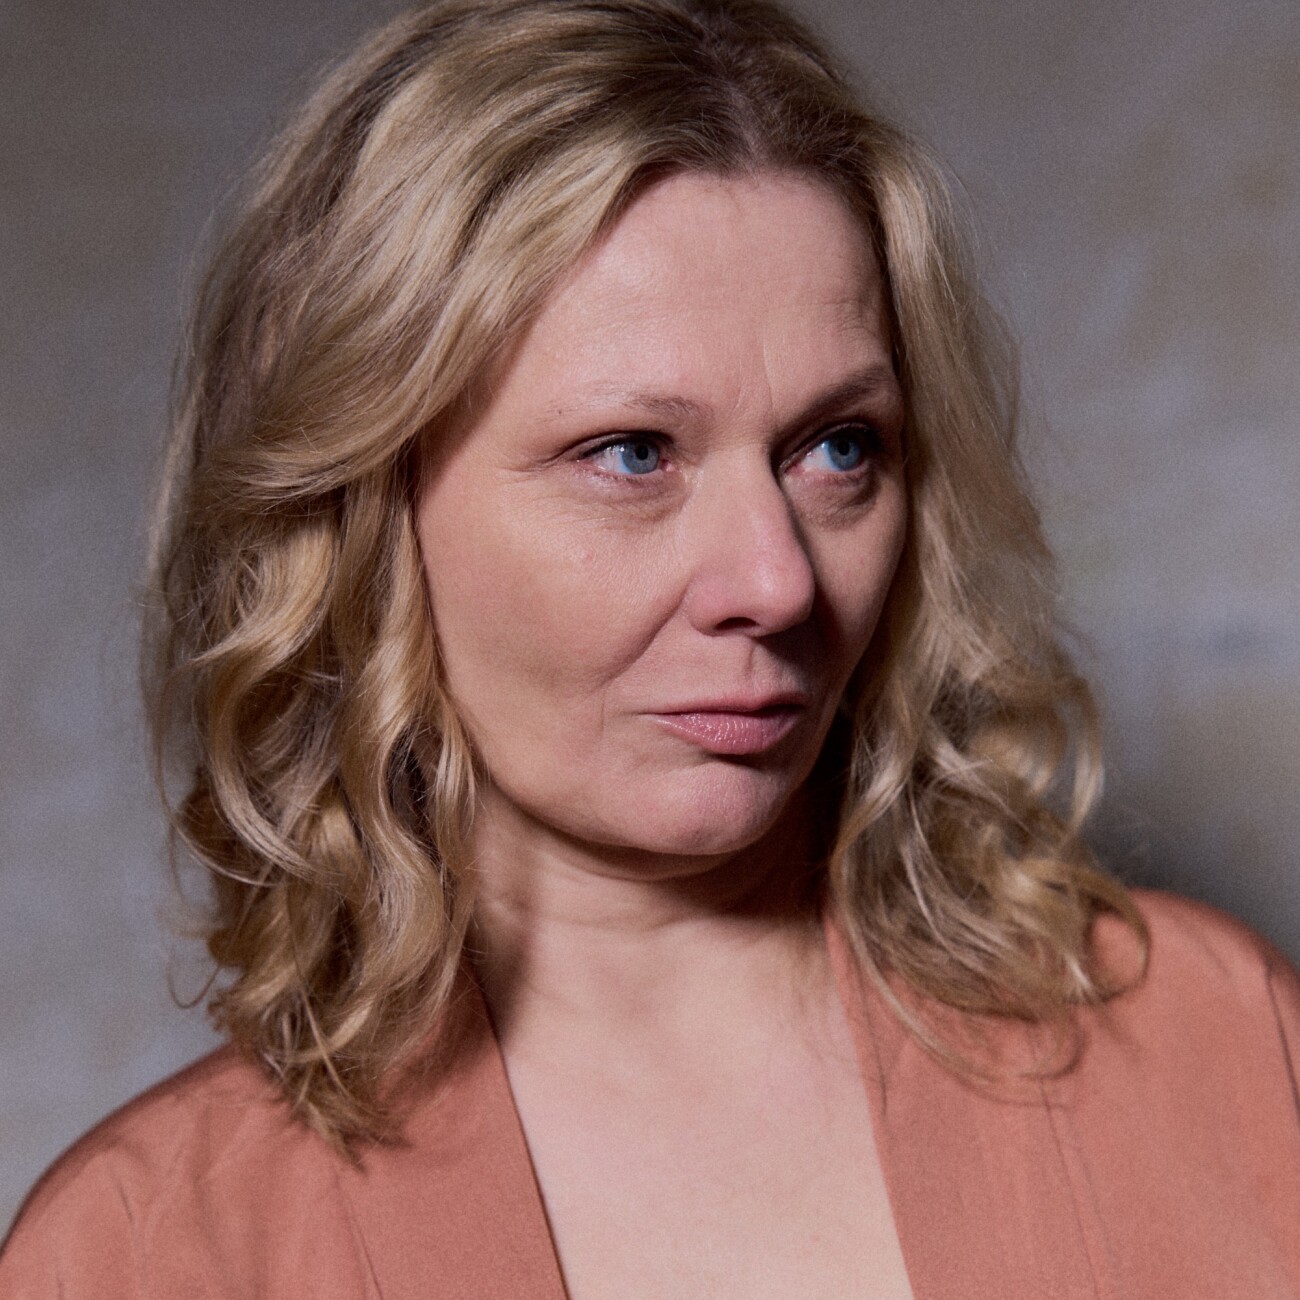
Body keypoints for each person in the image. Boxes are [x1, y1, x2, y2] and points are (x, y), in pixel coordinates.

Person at [3, 0, 1299, 1294]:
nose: (777, 582)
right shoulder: (148, 1252)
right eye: (632, 454)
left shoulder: (1218, 1049)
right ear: (364, 512)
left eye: (838, 447)